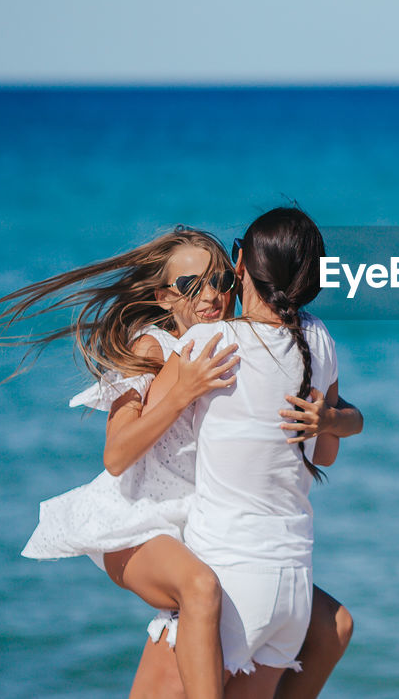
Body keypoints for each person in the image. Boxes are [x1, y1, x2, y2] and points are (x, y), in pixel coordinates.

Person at [0, 226, 362, 698]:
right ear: (163, 296)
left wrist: (329, 417)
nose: (210, 295)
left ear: (237, 277)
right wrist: (181, 393)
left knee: (330, 622)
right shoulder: (152, 347)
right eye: (189, 286)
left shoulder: (226, 345)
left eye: (220, 280)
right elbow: (116, 456)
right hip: (135, 520)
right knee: (199, 586)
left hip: (190, 521)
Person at [146, 208, 346, 698]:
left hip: (227, 582)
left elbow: (141, 434)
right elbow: (325, 456)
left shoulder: (208, 342)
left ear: (240, 263)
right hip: (293, 593)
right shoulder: (320, 340)